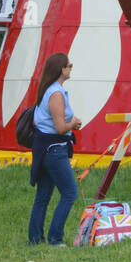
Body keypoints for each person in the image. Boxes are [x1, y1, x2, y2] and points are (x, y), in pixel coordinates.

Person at [28, 53, 82, 247]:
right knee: (70, 193)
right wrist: (73, 123)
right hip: (54, 150)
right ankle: (55, 238)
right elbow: (60, 128)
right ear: (61, 69)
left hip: (44, 149)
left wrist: (69, 125)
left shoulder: (48, 90)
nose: (71, 68)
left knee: (43, 196)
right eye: (69, 65)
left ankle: (35, 239)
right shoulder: (56, 93)